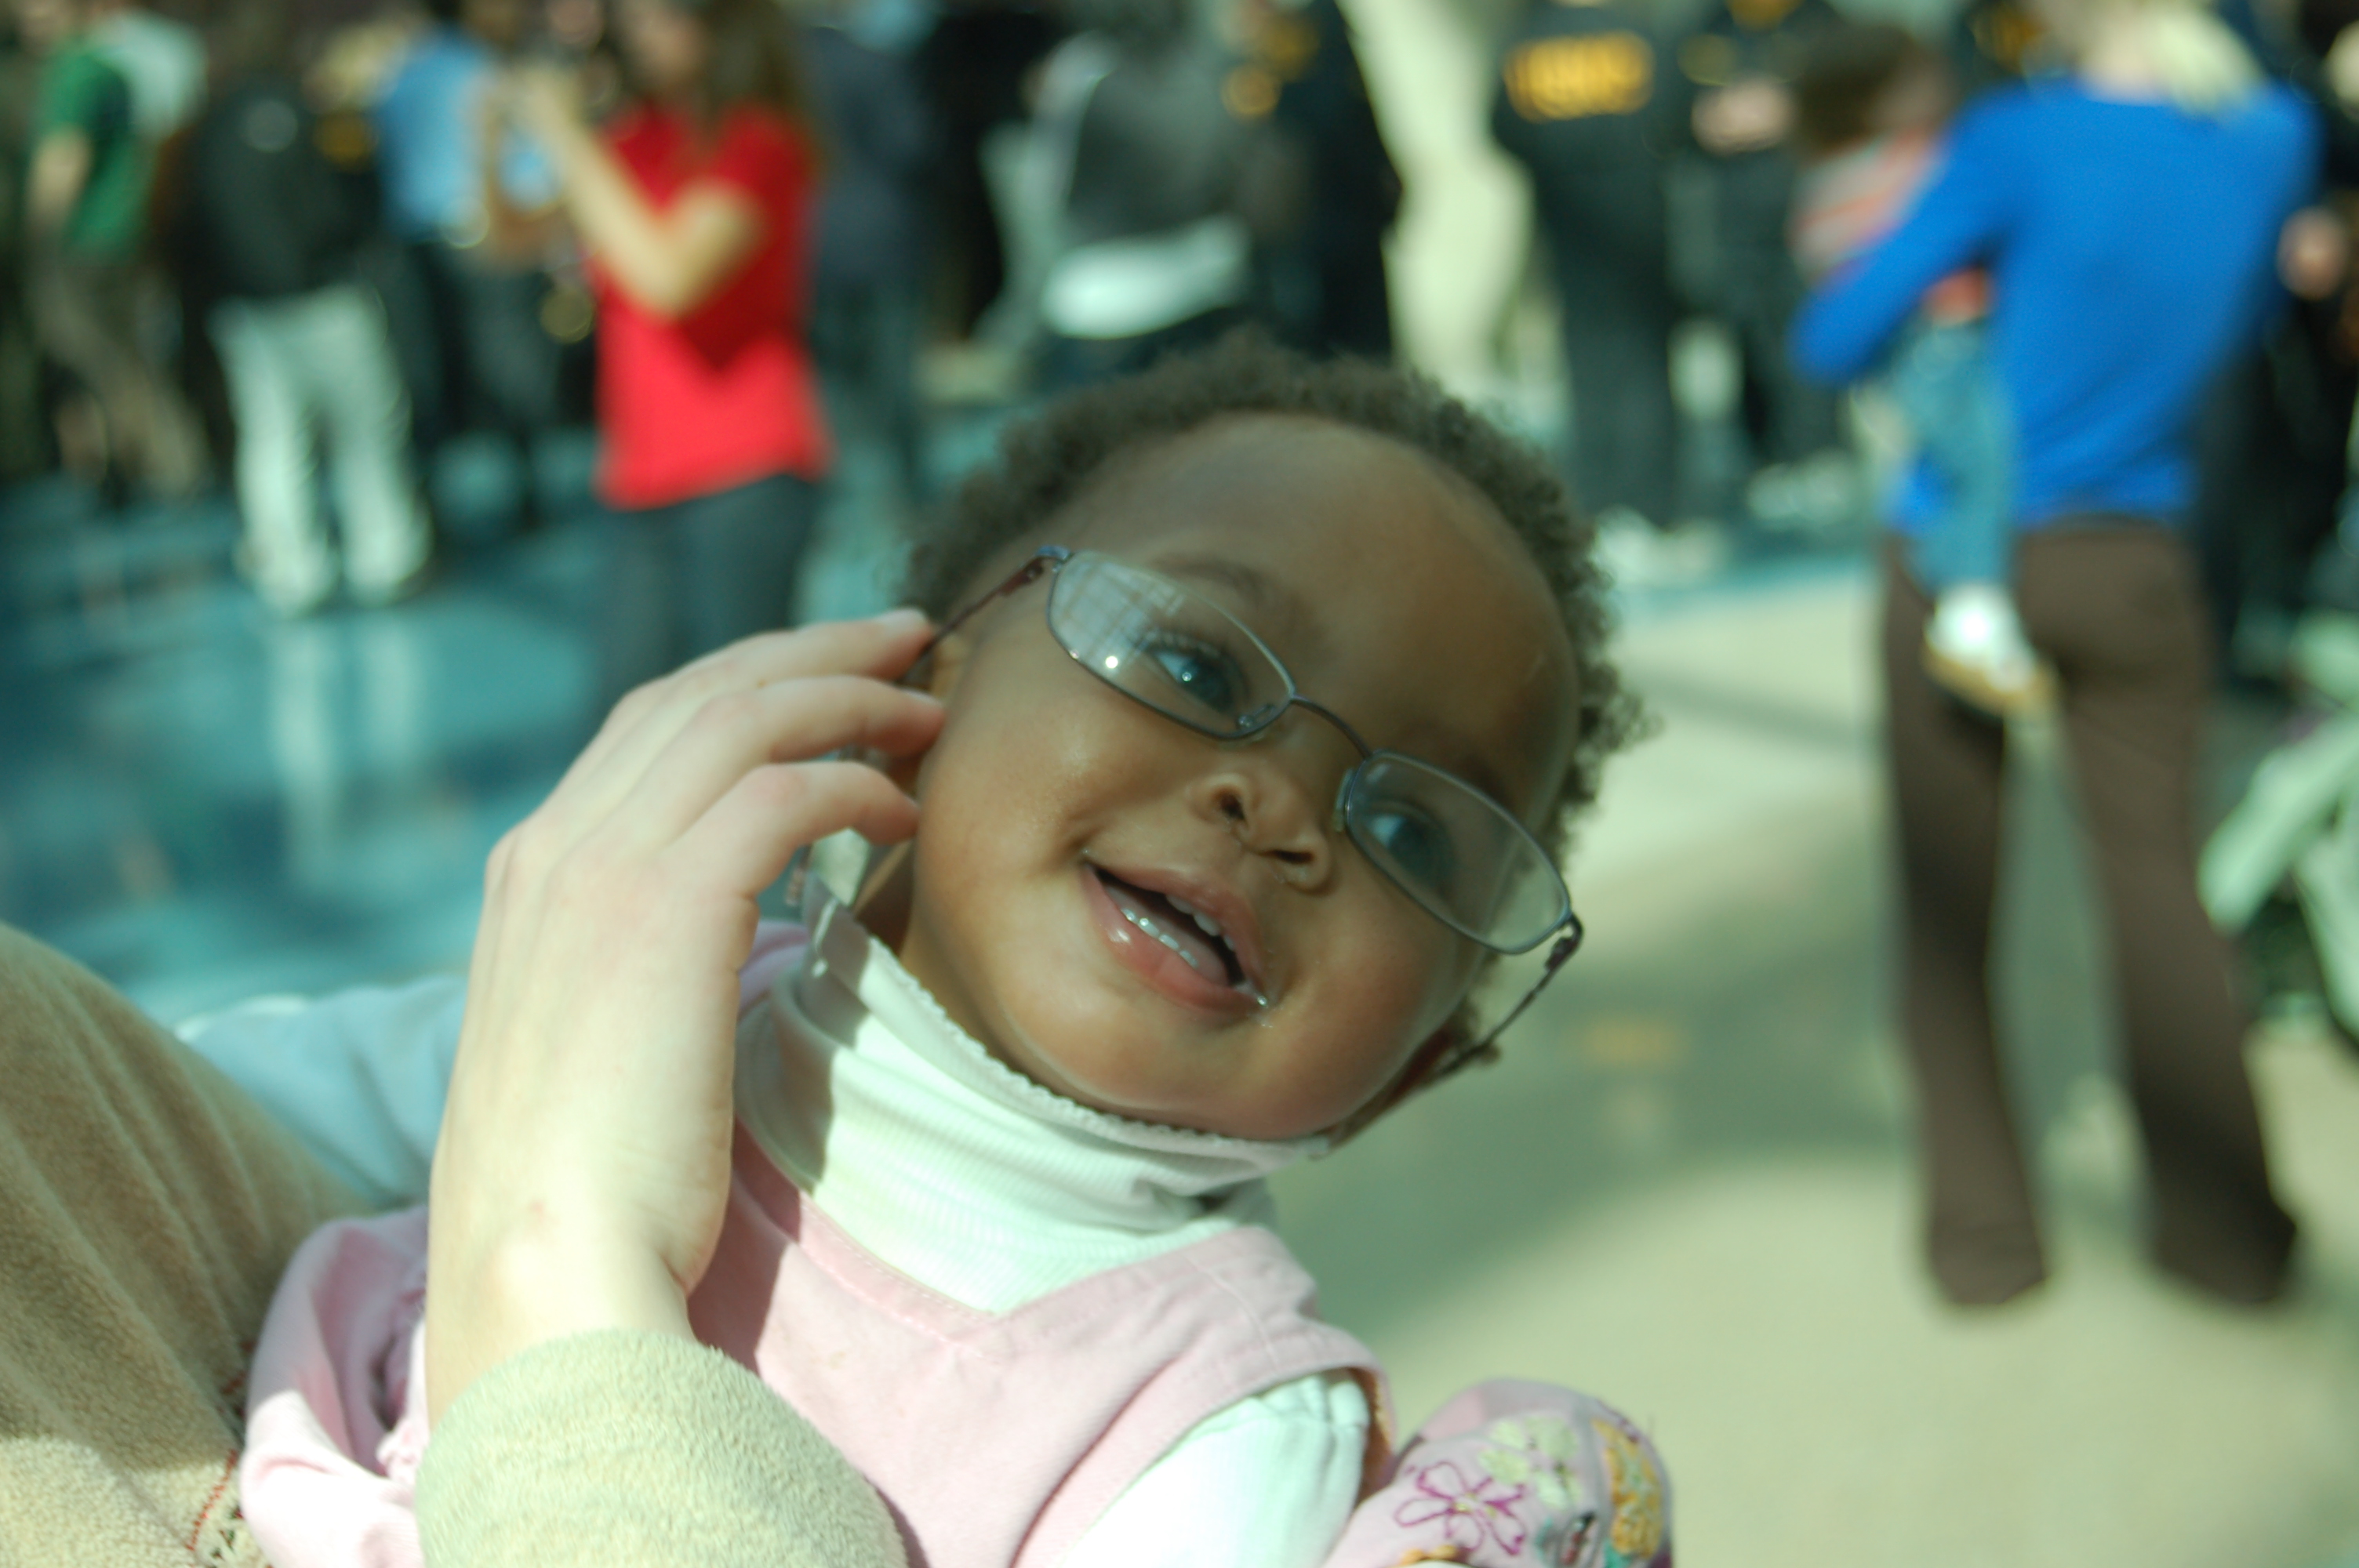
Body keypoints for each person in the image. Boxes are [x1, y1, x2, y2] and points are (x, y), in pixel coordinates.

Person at [215, 336, 1667, 1567]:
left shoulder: (1207, 1431)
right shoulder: (667, 1000)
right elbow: (186, 1108)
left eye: (1416, 833)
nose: (1280, 806)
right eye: (1195, 663)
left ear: (1417, 1063)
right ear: (927, 682)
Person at [1793, 0, 2312, 1307]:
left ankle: (1984, 1245)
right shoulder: (2268, 139)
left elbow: (1835, 336)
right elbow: (2252, 310)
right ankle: (2225, 1239)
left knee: (1947, 908)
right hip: (2137, 554)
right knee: (2158, 894)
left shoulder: (2013, 140)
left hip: (1957, 559)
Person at [490, 0, 832, 699]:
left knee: (741, 708)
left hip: (745, 468)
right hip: (638, 476)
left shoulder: (757, 143)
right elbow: (509, 238)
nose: (641, 32)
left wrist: (565, 134)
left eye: (663, 15)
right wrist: (488, 140)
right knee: (627, 710)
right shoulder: (632, 143)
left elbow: (668, 279)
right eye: (634, 17)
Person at [1788, 23, 2038, 714]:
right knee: (1981, 461)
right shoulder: (1904, 166)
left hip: (1923, 352)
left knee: (1955, 464)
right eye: (1920, 78)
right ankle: (1974, 609)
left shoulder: (1824, 179)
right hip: (1938, 344)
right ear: (1872, 100)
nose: (1944, 86)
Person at [174, 2, 433, 615]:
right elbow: (338, 203)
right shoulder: (302, 110)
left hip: (249, 312)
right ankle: (386, 558)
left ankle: (291, 572)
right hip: (324, 297)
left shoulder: (206, 124)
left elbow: (192, 222)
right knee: (366, 431)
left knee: (273, 442)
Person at [1491, 0, 1685, 560]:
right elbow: (1676, 110)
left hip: (1568, 225)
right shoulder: (1634, 35)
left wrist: (1557, 161)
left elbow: (1500, 127)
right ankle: (1653, 508)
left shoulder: (1527, 42)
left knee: (1587, 363)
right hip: (1639, 219)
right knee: (1647, 365)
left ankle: (1602, 501)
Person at [20, 0, 206, 503]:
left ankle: (155, 467)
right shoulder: (108, 68)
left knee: (104, 361)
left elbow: (65, 159)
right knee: (137, 353)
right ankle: (168, 464)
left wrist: (37, 233)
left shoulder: (75, 72)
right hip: (127, 230)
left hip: (85, 239)